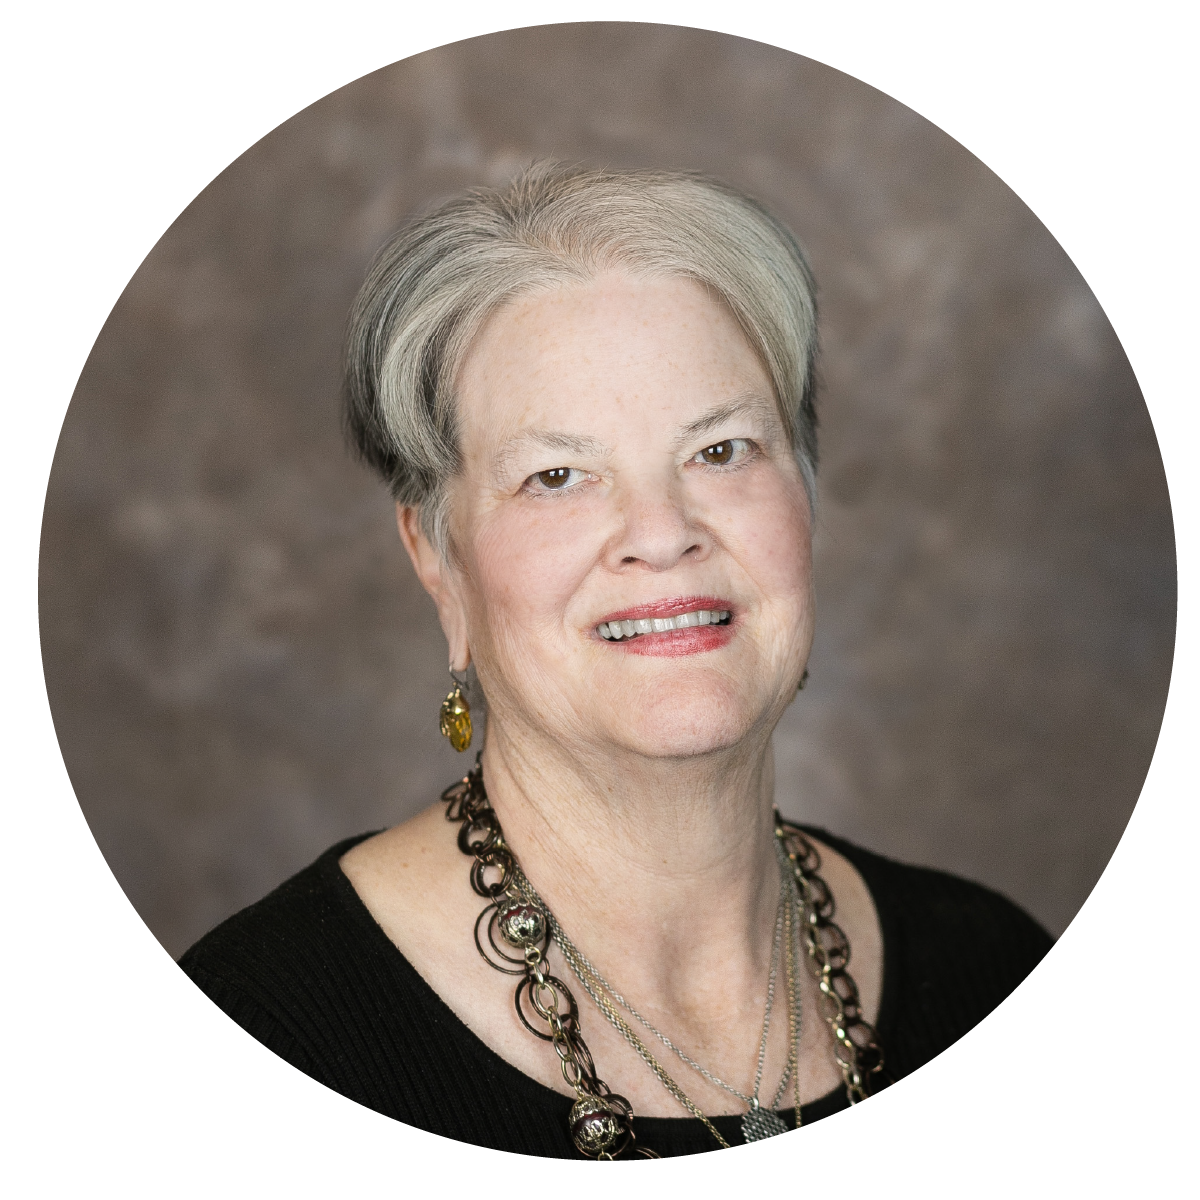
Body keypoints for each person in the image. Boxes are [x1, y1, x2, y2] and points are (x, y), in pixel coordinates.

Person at [178, 163, 1054, 1182]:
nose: (662, 533)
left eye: (721, 450)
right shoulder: (272, 1031)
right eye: (558, 476)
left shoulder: (1002, 980)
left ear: (807, 500)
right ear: (436, 559)